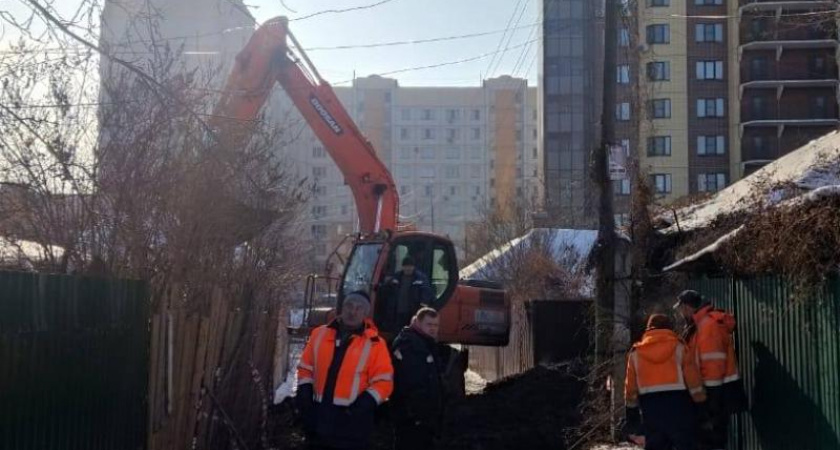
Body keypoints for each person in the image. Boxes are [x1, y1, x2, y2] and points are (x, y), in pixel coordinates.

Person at [296, 292, 394, 450]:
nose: (352, 311)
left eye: (359, 308)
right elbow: (306, 367)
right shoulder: (319, 334)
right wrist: (305, 391)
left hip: (352, 424)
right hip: (318, 417)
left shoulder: (375, 344)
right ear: (342, 308)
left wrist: (364, 405)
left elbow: (384, 381)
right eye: (349, 305)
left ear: (365, 313)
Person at [625, 314, 708, 450]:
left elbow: (630, 389)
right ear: (669, 327)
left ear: (648, 329)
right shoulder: (679, 347)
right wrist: (701, 403)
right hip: (679, 405)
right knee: (684, 443)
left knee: (656, 444)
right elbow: (693, 381)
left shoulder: (636, 353)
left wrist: (631, 413)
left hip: (650, 407)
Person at [674, 290, 745, 450]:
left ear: (687, 307)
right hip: (711, 394)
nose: (680, 313)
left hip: (713, 395)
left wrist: (707, 401)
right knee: (709, 440)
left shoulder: (707, 327)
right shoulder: (700, 326)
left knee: (711, 440)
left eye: (681, 309)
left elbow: (713, 365)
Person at [390, 307, 445, 450]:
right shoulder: (410, 345)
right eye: (429, 324)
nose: (433, 329)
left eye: (436, 325)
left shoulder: (425, 343)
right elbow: (412, 384)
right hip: (412, 419)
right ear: (418, 323)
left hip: (423, 418)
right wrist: (418, 416)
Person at [387, 256, 435, 328]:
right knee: (398, 331)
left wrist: (421, 309)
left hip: (412, 311)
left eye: (410, 266)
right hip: (398, 311)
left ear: (414, 267)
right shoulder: (396, 277)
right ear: (402, 267)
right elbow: (388, 289)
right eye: (406, 266)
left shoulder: (421, 278)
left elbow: (426, 293)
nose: (408, 268)